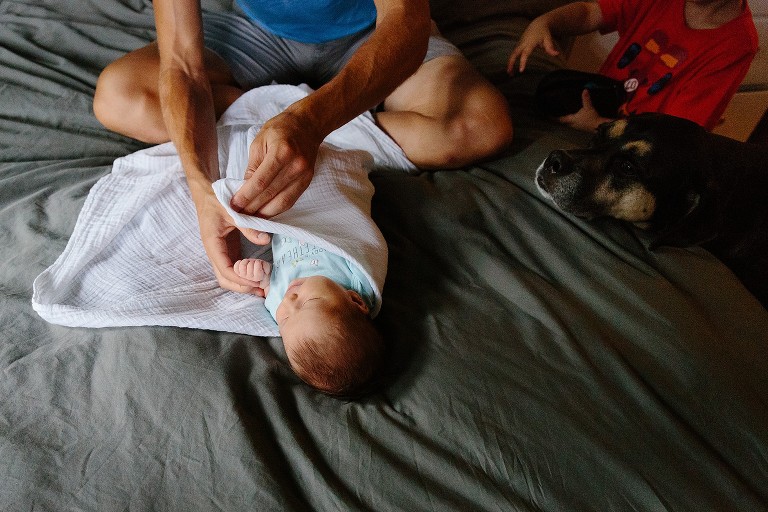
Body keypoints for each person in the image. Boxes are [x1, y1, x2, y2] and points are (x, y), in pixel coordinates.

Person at [93, 0, 513, 296]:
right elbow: (182, 63)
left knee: (478, 126)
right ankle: (292, 115)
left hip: (374, 35)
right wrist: (202, 190)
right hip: (256, 34)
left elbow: (404, 22)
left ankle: (281, 112)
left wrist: (311, 123)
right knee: (119, 97)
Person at [507, 0, 758, 132]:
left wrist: (596, 125)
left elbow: (675, 135)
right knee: (547, 90)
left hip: (640, 143)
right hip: (604, 104)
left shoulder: (737, 45)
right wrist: (545, 22)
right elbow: (590, 13)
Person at [232, 234, 383, 397]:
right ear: (355, 300)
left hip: (281, 223)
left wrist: (263, 276)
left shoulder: (279, 305)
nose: (289, 300)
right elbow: (367, 242)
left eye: (284, 320)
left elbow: (270, 287)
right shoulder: (359, 282)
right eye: (310, 301)